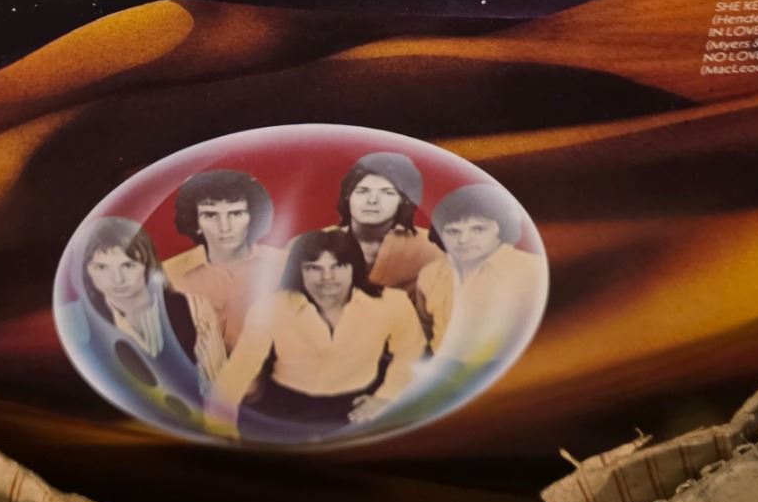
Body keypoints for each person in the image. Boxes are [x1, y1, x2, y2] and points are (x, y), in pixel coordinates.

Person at [205, 228, 426, 442]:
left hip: (358, 402)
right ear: (298, 271)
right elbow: (240, 367)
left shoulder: (392, 302)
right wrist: (219, 427)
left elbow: (411, 350)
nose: (327, 277)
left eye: (338, 266)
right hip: (286, 404)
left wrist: (387, 397)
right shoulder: (271, 307)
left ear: (354, 267)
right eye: (314, 268)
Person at [58, 216, 226, 407]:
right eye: (101, 267)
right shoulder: (75, 320)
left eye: (128, 265)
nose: (117, 279)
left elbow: (217, 390)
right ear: (86, 271)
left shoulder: (193, 307)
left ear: (148, 265)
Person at [416, 183, 547, 366]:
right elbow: (426, 328)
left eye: (478, 229)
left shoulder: (534, 271)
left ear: (502, 228)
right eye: (453, 231)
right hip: (441, 368)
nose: (463, 240)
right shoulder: (430, 274)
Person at [163, 169, 286, 352]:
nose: (225, 227)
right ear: (196, 222)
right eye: (211, 215)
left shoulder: (285, 264)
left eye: (235, 214)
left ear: (253, 217)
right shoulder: (169, 275)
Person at [334, 150, 440, 303]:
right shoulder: (312, 244)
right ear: (348, 196)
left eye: (387, 192)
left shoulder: (432, 248)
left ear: (404, 200)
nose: (372, 200)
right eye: (362, 191)